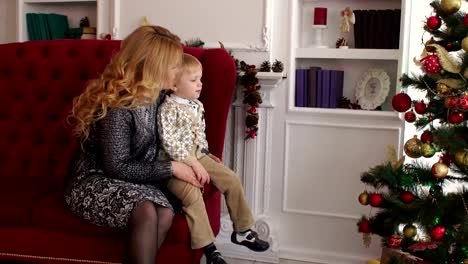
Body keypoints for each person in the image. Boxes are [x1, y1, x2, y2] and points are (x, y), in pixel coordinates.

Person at [65, 25, 202, 264]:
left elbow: (180, 133)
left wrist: (203, 158)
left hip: (132, 180)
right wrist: (172, 168)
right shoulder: (120, 106)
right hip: (94, 180)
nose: (178, 70)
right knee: (146, 211)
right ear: (153, 67)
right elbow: (116, 167)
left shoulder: (161, 97)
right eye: (173, 64)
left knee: (166, 212)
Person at [157, 54, 270, 264]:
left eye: (200, 79)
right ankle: (210, 250)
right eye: (193, 80)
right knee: (192, 193)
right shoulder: (168, 108)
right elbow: (169, 142)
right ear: (173, 84)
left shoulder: (196, 105)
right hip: (175, 161)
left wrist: (206, 154)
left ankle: (243, 230)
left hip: (198, 155)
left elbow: (200, 134)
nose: (200, 85)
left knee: (231, 179)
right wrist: (193, 163)